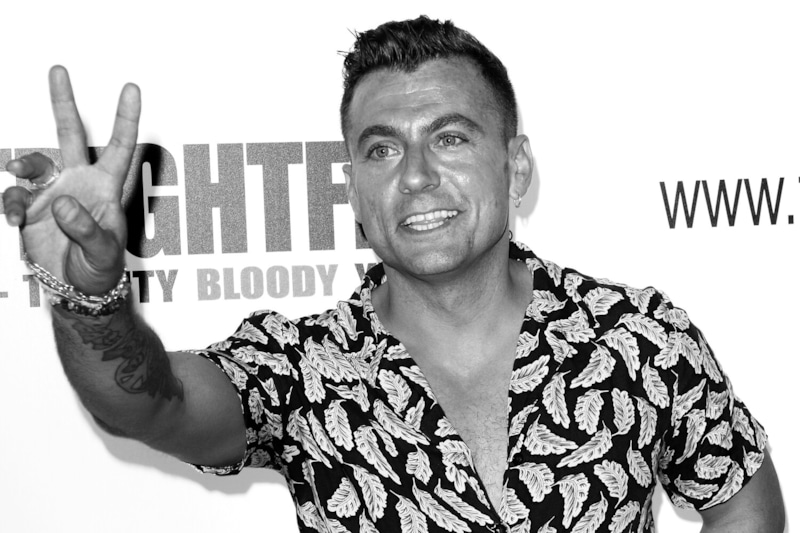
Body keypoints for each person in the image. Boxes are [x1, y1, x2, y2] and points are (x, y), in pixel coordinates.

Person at [2, 15, 785, 533]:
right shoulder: (304, 371)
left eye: (450, 138)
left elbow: (743, 497)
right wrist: (90, 299)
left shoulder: (636, 338)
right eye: (382, 149)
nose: (414, 176)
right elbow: (149, 405)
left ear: (515, 166)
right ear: (354, 190)